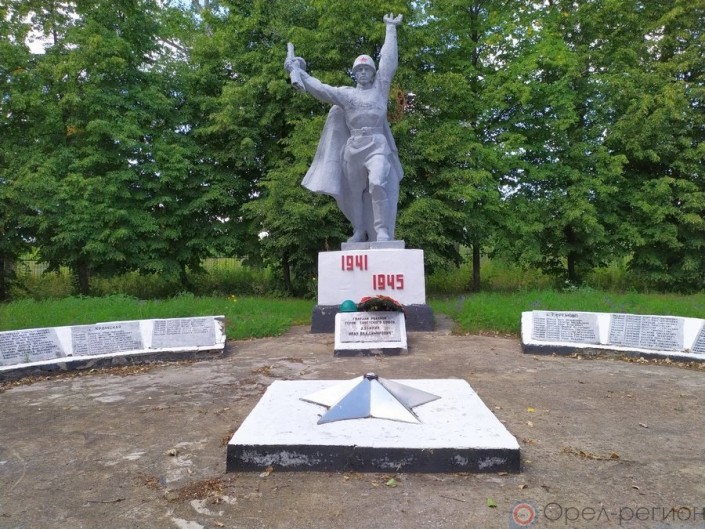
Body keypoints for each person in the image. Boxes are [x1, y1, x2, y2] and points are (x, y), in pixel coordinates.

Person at [285, 14, 404, 243]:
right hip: (354, 148)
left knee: (378, 182)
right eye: (359, 70)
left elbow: (388, 63)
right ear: (354, 74)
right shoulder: (347, 95)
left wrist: (390, 28)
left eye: (367, 69)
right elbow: (321, 89)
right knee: (353, 193)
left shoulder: (380, 89)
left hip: (377, 145)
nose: (363, 72)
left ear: (372, 73)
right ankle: (359, 230)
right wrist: (300, 73)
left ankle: (381, 231)